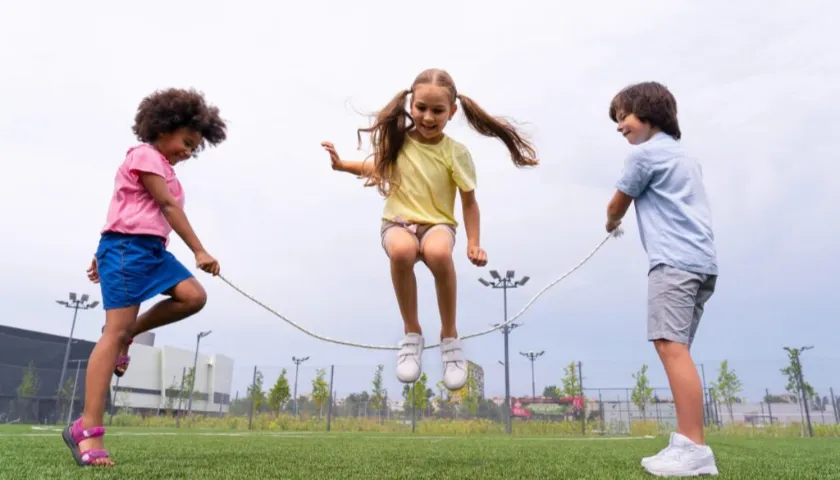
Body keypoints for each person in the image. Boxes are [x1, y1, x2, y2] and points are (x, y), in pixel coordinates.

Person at [322, 68, 537, 391]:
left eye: (437, 111)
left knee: (437, 253)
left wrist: (474, 242)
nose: (428, 117)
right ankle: (412, 334)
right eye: (422, 108)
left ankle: (450, 337)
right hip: (398, 222)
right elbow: (376, 167)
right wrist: (342, 166)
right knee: (401, 250)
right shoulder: (399, 144)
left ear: (452, 112)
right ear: (411, 105)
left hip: (437, 224)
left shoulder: (456, 153)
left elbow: (469, 202)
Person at [62, 88, 227, 467]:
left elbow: (127, 206)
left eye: (193, 148)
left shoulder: (166, 169)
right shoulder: (144, 155)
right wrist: (200, 250)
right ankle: (86, 429)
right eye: (186, 142)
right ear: (164, 127)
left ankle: (131, 334)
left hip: (150, 252)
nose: (188, 152)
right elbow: (165, 207)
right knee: (112, 332)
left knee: (192, 297)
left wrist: (98, 252)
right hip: (127, 251)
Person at [605, 81, 719, 477]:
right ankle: (687, 443)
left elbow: (618, 201)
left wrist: (611, 221)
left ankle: (693, 448)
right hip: (703, 264)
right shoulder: (686, 155)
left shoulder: (644, 157)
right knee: (678, 347)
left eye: (624, 117)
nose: (620, 127)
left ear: (647, 113)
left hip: (673, 263)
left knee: (670, 347)